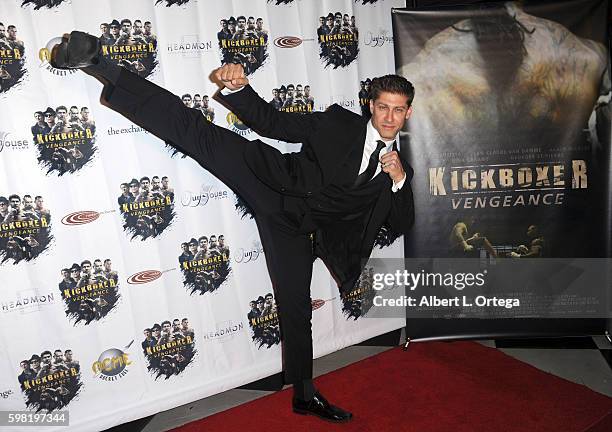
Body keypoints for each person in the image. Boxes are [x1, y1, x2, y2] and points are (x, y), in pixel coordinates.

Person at [51, 31, 415, 423]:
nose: (389, 118)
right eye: (383, 108)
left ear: (408, 112)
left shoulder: (398, 168)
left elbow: (401, 221)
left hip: (298, 231)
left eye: (398, 110)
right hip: (272, 181)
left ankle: (305, 396)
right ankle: (100, 65)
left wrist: (398, 181)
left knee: (296, 310)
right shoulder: (338, 124)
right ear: (371, 106)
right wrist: (241, 90)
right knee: (195, 131)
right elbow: (274, 124)